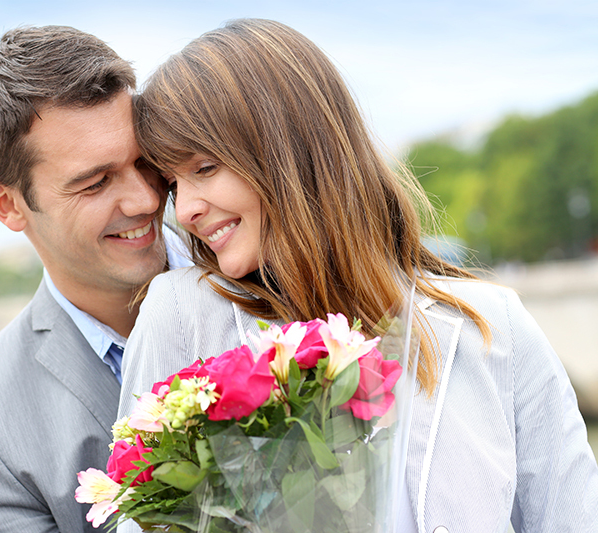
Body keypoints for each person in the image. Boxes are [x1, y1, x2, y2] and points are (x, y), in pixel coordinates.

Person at [118, 19, 598, 533]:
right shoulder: (180, 314)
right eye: (173, 183)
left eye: (206, 168)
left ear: (290, 151)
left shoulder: (495, 327)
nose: (185, 209)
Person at [0, 26, 188, 532]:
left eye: (146, 162)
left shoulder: (265, 274)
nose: (145, 200)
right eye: (95, 183)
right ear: (9, 204)